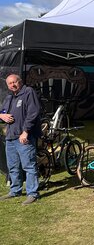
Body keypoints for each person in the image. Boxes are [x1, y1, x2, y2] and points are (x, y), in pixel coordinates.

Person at [0, 74, 42, 205]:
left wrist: (25, 131)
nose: (12, 85)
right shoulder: (8, 98)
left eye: (15, 82)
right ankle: (15, 190)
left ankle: (32, 194)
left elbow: (33, 112)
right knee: (13, 166)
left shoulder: (28, 92)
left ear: (20, 82)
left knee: (29, 166)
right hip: (10, 138)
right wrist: (2, 116)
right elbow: (2, 112)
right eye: (10, 83)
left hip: (24, 136)